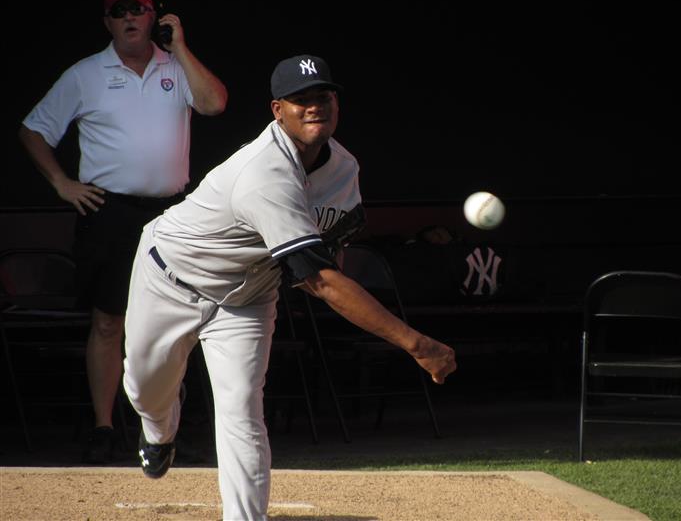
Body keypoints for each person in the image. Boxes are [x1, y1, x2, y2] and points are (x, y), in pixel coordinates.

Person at [122, 54, 457, 520]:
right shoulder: (264, 172)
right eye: (301, 99)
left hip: (247, 297)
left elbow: (331, 250)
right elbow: (320, 281)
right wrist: (416, 343)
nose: (315, 106)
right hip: (170, 279)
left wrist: (321, 271)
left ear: (337, 104)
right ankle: (159, 431)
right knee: (145, 389)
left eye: (323, 96)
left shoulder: (344, 168)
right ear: (278, 111)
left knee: (242, 410)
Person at [18, 0, 228, 464]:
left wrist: (181, 48)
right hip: (109, 211)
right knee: (109, 320)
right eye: (120, 12)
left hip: (169, 213)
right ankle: (104, 427)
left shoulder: (176, 66)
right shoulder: (86, 73)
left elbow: (215, 103)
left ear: (154, 17)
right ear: (108, 22)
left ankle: (164, 429)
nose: (129, 18)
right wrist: (61, 183)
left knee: (173, 323)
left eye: (138, 10)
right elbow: (32, 130)